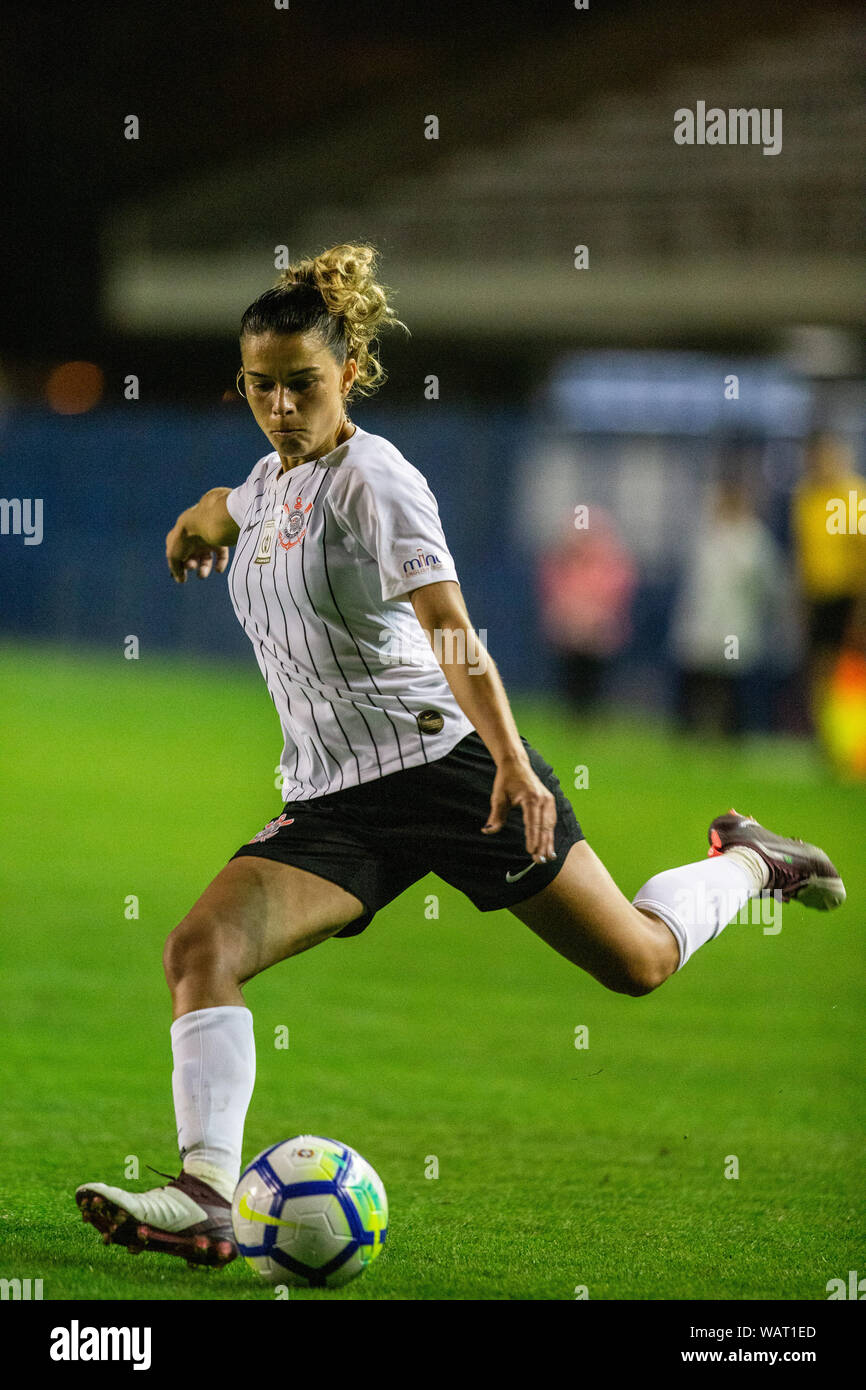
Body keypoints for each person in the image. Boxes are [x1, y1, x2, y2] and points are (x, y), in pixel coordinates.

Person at [75, 243, 847, 1269]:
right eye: (259, 386)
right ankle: (206, 1194)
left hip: (453, 771)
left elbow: (450, 630)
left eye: (302, 384)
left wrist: (513, 765)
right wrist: (193, 522)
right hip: (333, 802)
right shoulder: (265, 485)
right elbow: (234, 502)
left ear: (347, 374)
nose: (280, 405)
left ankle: (750, 858)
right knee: (196, 950)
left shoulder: (377, 479)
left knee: (636, 961)